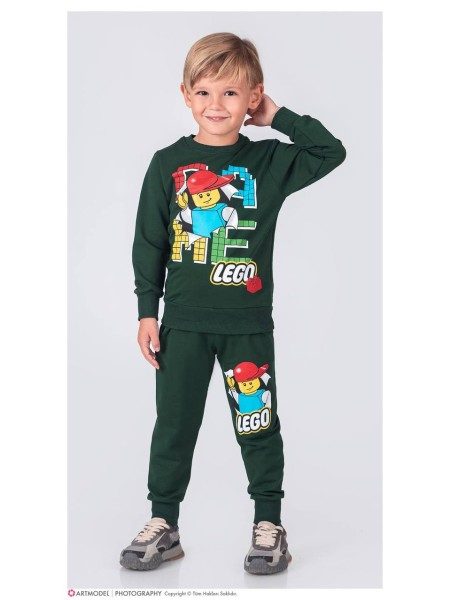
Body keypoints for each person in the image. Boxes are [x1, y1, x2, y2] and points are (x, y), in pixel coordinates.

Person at [120, 32, 346, 575]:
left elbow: (330, 151)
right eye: (203, 92)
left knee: (257, 422)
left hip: (247, 325)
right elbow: (149, 242)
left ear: (252, 97)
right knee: (174, 426)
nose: (216, 105)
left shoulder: (269, 161)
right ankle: (164, 522)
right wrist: (147, 311)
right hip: (183, 326)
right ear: (185, 95)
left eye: (230, 93)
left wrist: (278, 117)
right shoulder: (168, 164)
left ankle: (269, 524)